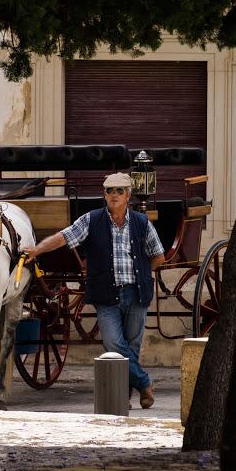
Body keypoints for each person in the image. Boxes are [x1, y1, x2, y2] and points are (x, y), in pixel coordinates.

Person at [23, 172, 165, 409]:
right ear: (104, 195)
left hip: (136, 294)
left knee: (132, 346)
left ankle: (124, 397)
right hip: (106, 295)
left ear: (128, 195)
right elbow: (63, 237)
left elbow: (158, 256)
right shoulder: (91, 220)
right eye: (109, 191)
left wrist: (141, 272)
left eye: (119, 191)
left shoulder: (142, 222)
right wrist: (37, 250)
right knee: (114, 345)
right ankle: (144, 382)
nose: (114, 195)